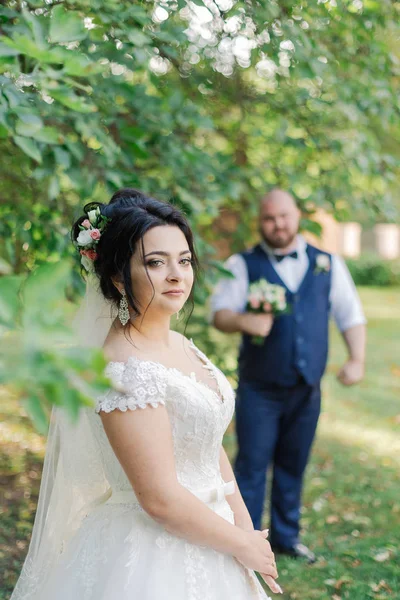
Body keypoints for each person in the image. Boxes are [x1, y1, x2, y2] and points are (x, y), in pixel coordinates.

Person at [11, 189, 282, 600]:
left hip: (216, 532)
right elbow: (158, 498)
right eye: (156, 262)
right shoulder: (124, 369)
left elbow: (207, 443)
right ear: (119, 277)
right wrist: (241, 545)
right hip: (154, 554)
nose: (177, 275)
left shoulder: (181, 344)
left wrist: (243, 530)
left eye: (184, 260)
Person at [211, 189, 366, 563]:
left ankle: (285, 537)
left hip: (306, 388)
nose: (277, 224)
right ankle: (245, 542)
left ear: (297, 216)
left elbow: (350, 314)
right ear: (259, 222)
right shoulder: (242, 263)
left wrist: (356, 359)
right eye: (269, 218)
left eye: (283, 216)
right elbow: (219, 313)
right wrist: (244, 320)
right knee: (251, 464)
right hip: (259, 387)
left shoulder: (327, 263)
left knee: (293, 463)